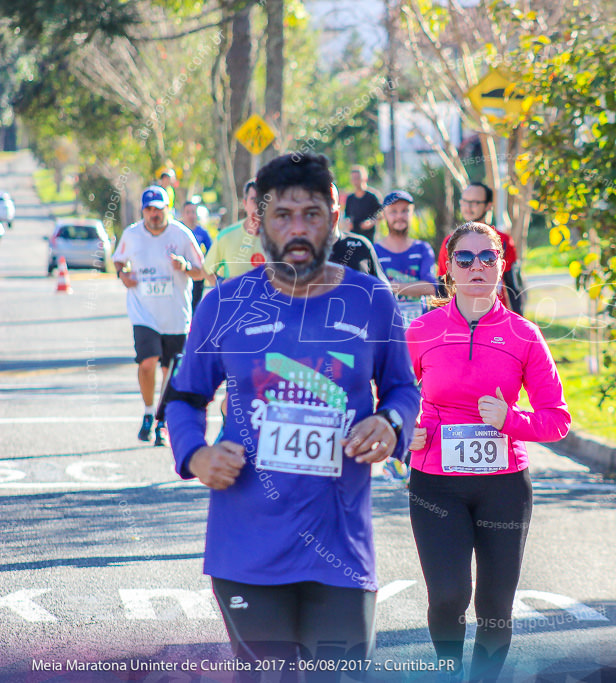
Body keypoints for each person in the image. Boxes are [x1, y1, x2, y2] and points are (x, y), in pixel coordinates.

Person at [165, 152, 420, 674]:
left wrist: (391, 424)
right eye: (283, 215)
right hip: (247, 550)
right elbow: (185, 398)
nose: (297, 229)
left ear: (336, 211)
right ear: (260, 220)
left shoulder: (371, 299)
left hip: (341, 549)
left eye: (312, 214)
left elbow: (402, 390)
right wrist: (195, 456)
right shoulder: (225, 304)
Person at [405, 222, 571, 680]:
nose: (477, 266)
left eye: (488, 257)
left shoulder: (524, 335)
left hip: (504, 487)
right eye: (465, 258)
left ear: (501, 266)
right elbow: (390, 400)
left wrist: (510, 421)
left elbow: (557, 420)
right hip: (435, 485)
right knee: (448, 596)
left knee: (495, 606)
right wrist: (404, 434)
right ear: (449, 268)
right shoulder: (421, 331)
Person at [112, 185, 205, 447]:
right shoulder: (132, 234)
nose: (154, 214)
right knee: (148, 362)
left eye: (159, 209)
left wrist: (185, 267)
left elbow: (201, 271)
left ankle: (161, 421)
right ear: (143, 211)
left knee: (170, 370)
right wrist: (123, 275)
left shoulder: (182, 234)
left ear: (167, 209)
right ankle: (147, 412)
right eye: (149, 209)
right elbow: (118, 260)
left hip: (175, 314)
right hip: (144, 312)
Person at [437, 182, 523, 314]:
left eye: (475, 202)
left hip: (495, 317)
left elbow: (514, 286)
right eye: (464, 201)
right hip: (460, 318)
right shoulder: (449, 242)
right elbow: (443, 287)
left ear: (488, 206)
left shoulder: (503, 241)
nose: (468, 207)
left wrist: (518, 322)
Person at [374, 190, 437, 327]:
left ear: (412, 213)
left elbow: (431, 287)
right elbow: (372, 292)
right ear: (384, 215)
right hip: (385, 331)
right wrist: (415, 287)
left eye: (405, 211)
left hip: (418, 330)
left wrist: (389, 286)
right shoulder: (374, 252)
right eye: (393, 211)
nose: (399, 216)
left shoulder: (422, 249)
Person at [204, 179, 266, 285]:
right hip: (236, 301)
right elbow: (206, 271)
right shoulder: (226, 236)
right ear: (245, 203)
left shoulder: (281, 238)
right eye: (254, 200)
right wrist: (223, 283)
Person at [327, 183, 387, 282]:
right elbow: (347, 215)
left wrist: (371, 221)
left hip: (366, 236)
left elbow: (383, 290)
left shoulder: (361, 245)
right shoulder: (297, 252)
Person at [180, 199, 212, 317]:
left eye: (193, 212)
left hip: (197, 273)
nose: (190, 215)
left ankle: (193, 330)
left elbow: (211, 251)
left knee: (195, 305)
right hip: (181, 273)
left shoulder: (202, 232)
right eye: (188, 212)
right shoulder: (177, 230)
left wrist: (206, 267)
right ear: (183, 214)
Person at [344, 165, 382, 242]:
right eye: (354, 179)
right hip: (354, 239)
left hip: (369, 239)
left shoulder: (373, 196)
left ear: (365, 178)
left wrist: (371, 222)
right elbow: (347, 215)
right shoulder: (350, 198)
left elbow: (381, 214)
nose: (356, 181)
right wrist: (348, 222)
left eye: (358, 178)